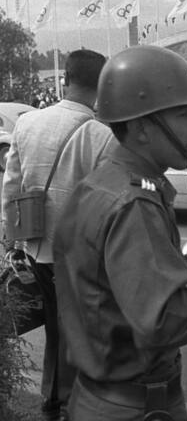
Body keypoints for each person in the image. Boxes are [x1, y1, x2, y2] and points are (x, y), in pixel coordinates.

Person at [53, 46, 187, 421]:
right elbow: (164, 319)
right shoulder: (134, 204)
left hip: (97, 395)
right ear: (141, 126)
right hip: (137, 406)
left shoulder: (100, 184)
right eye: (183, 114)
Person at [1, 49, 107, 421]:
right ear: (101, 84)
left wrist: (12, 241)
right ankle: (65, 403)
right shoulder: (101, 134)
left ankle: (53, 398)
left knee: (56, 324)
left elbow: (12, 185)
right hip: (81, 254)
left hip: (36, 245)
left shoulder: (28, 123)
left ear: (66, 80)